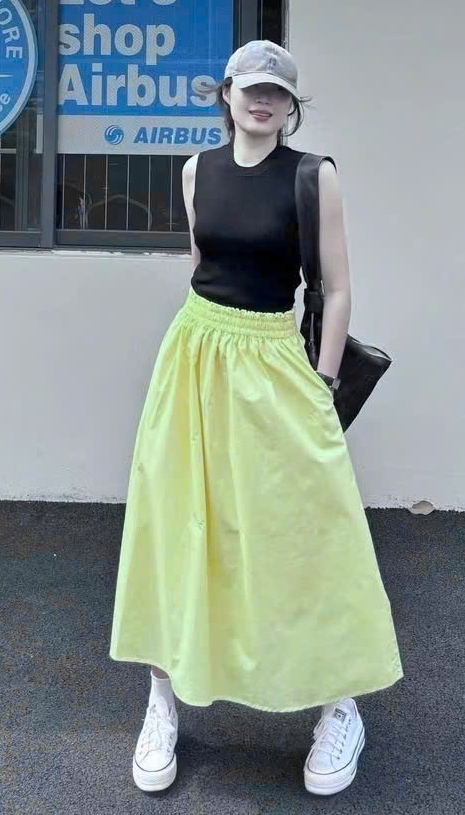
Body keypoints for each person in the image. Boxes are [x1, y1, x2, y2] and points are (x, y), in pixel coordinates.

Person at [109, 40, 403, 797]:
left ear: (291, 104)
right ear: (228, 93)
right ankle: (161, 699)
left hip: (275, 359)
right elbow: (202, 264)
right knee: (177, 523)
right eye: (252, 88)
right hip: (195, 355)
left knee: (308, 531)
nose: (263, 101)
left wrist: (323, 380)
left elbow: (337, 286)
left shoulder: (313, 175)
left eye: (278, 92)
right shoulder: (195, 171)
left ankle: (340, 707)